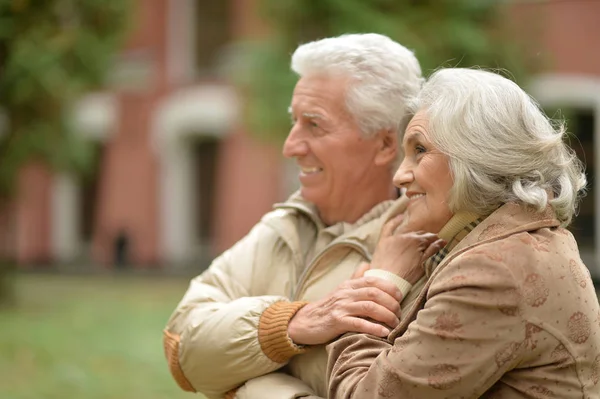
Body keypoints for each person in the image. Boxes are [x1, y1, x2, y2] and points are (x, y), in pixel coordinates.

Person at [162, 33, 426, 399]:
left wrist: (249, 388)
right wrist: (288, 325)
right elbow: (180, 352)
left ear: (383, 145)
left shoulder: (425, 251)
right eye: (294, 121)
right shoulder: (285, 223)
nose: (290, 146)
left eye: (314, 125)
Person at [327, 68, 600, 398]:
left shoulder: (493, 271)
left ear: (477, 155)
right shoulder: (509, 243)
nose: (399, 176)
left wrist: (378, 284)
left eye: (420, 151)